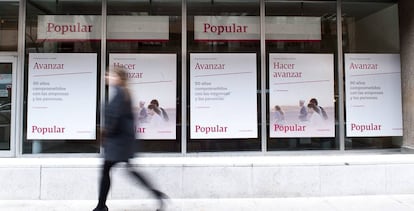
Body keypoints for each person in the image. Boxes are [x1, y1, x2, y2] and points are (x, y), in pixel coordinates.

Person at [93, 67, 168, 211]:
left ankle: (101, 206)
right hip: (121, 142)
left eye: (111, 75)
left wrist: (105, 133)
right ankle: (157, 195)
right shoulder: (122, 93)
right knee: (126, 171)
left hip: (118, 142)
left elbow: (115, 118)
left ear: (119, 78)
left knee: (109, 171)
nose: (107, 76)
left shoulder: (121, 94)